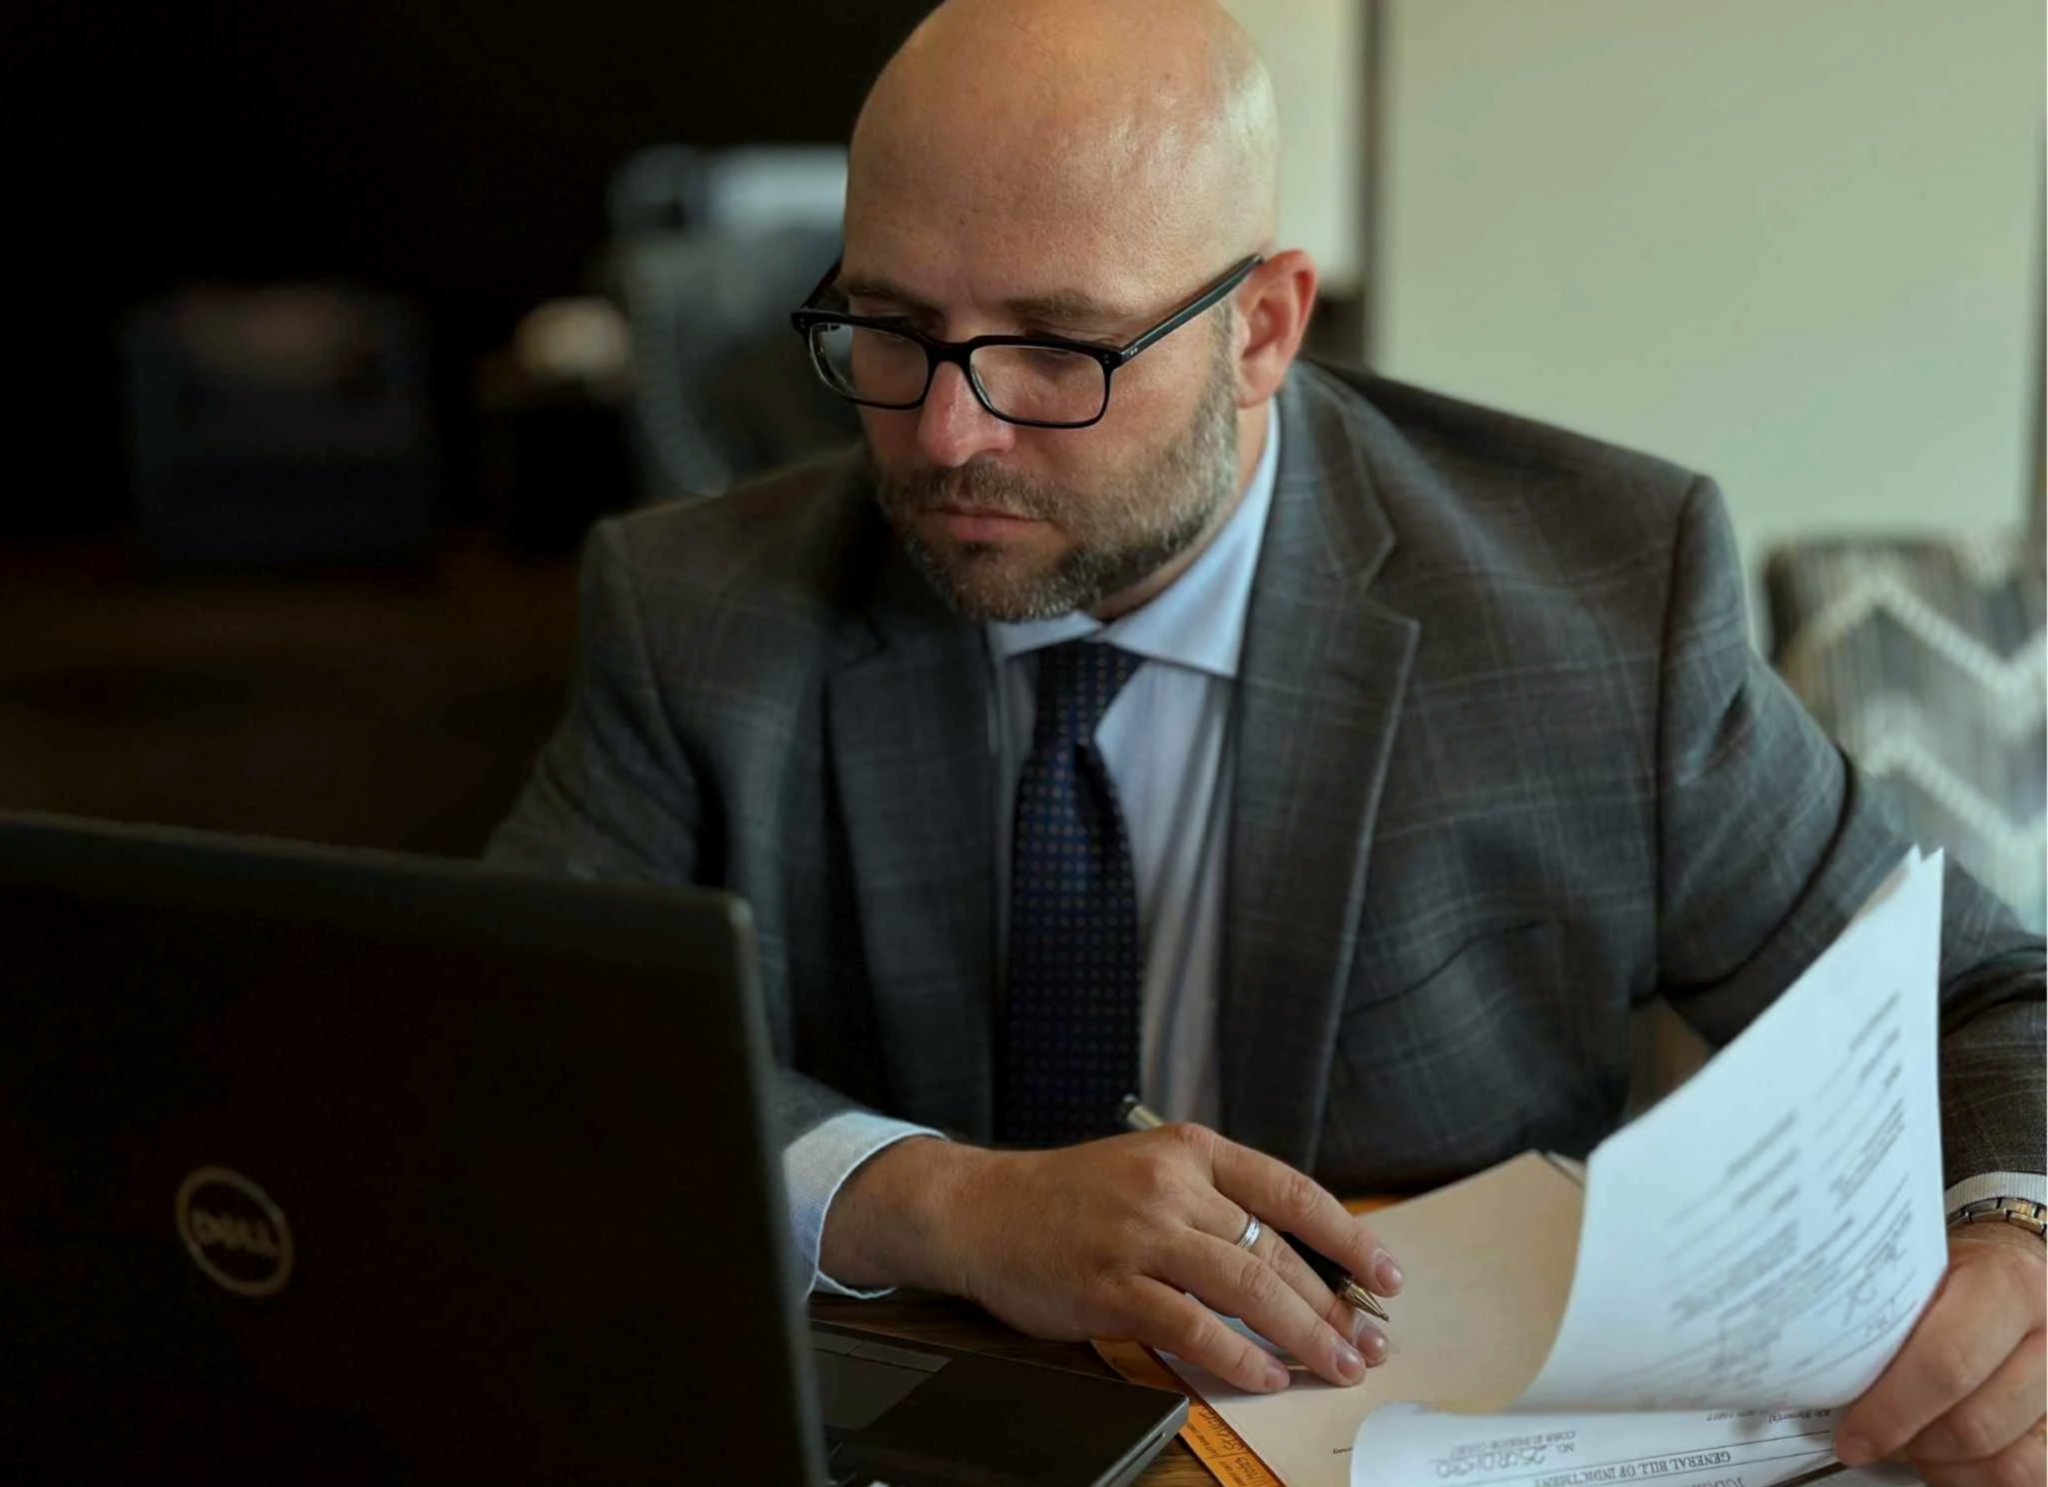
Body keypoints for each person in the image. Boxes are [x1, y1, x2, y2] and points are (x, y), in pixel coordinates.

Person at [487, 0, 2048, 1480]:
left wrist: (2018, 1239)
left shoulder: (1601, 606)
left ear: (1260, 329)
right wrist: (936, 1202)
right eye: (892, 329)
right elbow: (520, 1047)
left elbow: (1987, 994)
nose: (951, 433)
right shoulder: (699, 609)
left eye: (1055, 347)